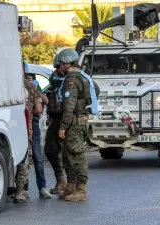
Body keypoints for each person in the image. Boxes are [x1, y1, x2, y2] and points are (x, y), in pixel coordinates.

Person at [56, 49, 100, 202]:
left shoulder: (71, 81)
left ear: (67, 63)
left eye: (61, 64)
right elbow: (97, 90)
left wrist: (62, 126)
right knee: (68, 156)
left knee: (76, 156)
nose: (59, 66)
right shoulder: (83, 77)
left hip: (74, 123)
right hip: (80, 121)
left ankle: (81, 190)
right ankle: (71, 187)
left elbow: (69, 106)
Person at [14, 61, 43, 203]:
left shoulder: (7, 85)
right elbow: (39, 109)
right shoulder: (30, 86)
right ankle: (20, 191)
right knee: (23, 159)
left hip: (6, 126)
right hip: (25, 128)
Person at [23, 72, 52, 199]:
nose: (29, 80)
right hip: (28, 122)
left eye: (31, 79)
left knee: (30, 157)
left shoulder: (34, 89)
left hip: (28, 123)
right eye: (27, 78)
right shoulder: (27, 88)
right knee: (31, 158)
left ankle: (29, 189)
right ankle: (35, 188)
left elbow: (41, 107)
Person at [44, 55, 67, 194]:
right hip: (56, 118)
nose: (59, 69)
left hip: (69, 118)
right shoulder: (54, 79)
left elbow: (94, 90)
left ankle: (73, 184)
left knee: (70, 152)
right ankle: (61, 180)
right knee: (50, 149)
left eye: (61, 65)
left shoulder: (76, 78)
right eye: (57, 66)